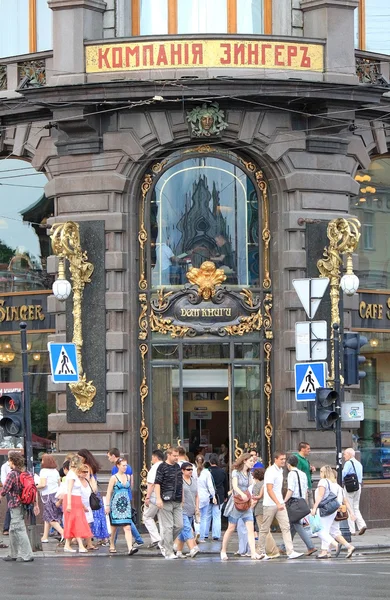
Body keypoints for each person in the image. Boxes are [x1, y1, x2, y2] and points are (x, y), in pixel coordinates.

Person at [257, 451, 303, 560]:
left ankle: (290, 551)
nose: (283, 461)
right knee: (264, 528)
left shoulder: (280, 471)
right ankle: (260, 552)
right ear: (275, 459)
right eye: (281, 459)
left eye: (284, 459)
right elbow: (269, 489)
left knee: (286, 527)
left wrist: (280, 502)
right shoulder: (270, 471)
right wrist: (278, 503)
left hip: (279, 503)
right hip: (270, 504)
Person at [221, 453, 262, 561]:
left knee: (250, 528)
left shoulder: (249, 474)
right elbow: (234, 486)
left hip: (246, 504)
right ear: (244, 461)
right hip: (236, 503)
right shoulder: (236, 472)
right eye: (251, 461)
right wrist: (241, 493)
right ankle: (223, 550)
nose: (252, 463)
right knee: (231, 528)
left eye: (253, 461)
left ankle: (253, 553)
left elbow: (251, 486)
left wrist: (251, 495)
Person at [0, 451, 37, 562]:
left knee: (19, 529)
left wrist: (1, 495)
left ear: (12, 461)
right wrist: (35, 504)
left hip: (15, 503)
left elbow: (5, 489)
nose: (8, 462)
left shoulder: (12, 474)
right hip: (25, 504)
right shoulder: (27, 473)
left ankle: (27, 554)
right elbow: (33, 489)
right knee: (13, 529)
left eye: (9, 460)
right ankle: (13, 553)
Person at [107, 447, 144, 548]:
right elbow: (131, 483)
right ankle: (113, 543)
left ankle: (114, 543)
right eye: (124, 465)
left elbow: (113, 487)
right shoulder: (129, 468)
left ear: (114, 456)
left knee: (123, 522)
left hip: (121, 498)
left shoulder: (115, 469)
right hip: (125, 497)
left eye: (109, 457)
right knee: (121, 522)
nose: (109, 459)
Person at [282, 455, 317, 556]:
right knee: (293, 524)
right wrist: (304, 502)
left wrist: (284, 500)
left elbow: (291, 489)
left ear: (288, 464)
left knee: (295, 524)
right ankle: (284, 547)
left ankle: (310, 546)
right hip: (301, 501)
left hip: (294, 501)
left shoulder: (291, 474)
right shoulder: (303, 474)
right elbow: (306, 490)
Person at [154, 446, 183, 560]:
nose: (177, 458)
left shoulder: (177, 467)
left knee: (179, 525)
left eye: (177, 456)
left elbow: (181, 484)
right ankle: (168, 552)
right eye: (175, 456)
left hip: (177, 500)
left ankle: (164, 542)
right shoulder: (162, 467)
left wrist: (182, 499)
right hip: (165, 500)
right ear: (169, 455)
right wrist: (158, 499)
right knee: (168, 527)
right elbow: (157, 483)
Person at [105, 458, 138, 555]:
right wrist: (107, 505)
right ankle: (111, 544)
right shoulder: (114, 478)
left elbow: (130, 488)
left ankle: (130, 548)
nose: (125, 467)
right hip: (116, 504)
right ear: (118, 466)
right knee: (114, 527)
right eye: (123, 465)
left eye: (126, 465)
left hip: (125, 504)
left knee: (127, 526)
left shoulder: (128, 476)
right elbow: (108, 492)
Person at [78, 449, 109, 545]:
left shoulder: (86, 467)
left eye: (79, 457)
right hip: (95, 495)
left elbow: (86, 480)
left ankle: (89, 537)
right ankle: (103, 538)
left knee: (91, 517)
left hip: (90, 494)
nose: (78, 458)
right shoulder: (92, 466)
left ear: (84, 457)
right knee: (99, 516)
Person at [310, 465, 341, 559]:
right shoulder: (332, 483)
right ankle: (325, 551)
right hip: (332, 509)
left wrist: (314, 508)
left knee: (318, 530)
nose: (319, 474)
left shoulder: (323, 481)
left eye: (321, 472)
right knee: (325, 530)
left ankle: (335, 544)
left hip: (324, 509)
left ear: (324, 473)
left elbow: (320, 496)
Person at [63, 456, 92, 553]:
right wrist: (69, 504)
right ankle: (80, 545)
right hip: (72, 500)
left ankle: (67, 545)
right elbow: (69, 490)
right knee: (76, 523)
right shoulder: (71, 475)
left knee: (74, 522)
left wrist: (82, 505)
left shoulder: (73, 474)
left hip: (76, 500)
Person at [252, 468, 280, 558]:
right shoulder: (268, 484)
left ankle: (273, 550)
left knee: (264, 531)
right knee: (266, 530)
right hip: (268, 507)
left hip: (260, 509)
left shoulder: (257, 486)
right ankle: (261, 549)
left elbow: (255, 499)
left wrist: (249, 508)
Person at [36, 453, 63, 544]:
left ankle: (64, 533)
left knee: (50, 517)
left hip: (47, 496)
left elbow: (43, 484)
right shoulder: (55, 471)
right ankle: (45, 536)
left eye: (42, 460)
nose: (41, 462)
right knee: (49, 516)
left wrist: (35, 486)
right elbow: (59, 483)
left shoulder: (44, 471)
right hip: (55, 495)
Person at [175, 462, 200, 558]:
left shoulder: (194, 481)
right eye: (188, 469)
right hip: (182, 509)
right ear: (182, 470)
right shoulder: (179, 481)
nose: (190, 471)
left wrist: (197, 508)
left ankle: (178, 551)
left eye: (191, 469)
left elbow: (197, 495)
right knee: (187, 529)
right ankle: (192, 548)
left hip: (191, 509)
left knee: (183, 532)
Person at [342, 447, 367, 536]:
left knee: (349, 508)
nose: (344, 456)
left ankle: (352, 530)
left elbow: (343, 474)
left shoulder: (348, 463)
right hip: (358, 486)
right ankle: (362, 525)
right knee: (356, 507)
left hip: (349, 487)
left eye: (345, 454)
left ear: (349, 454)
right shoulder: (359, 464)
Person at [203, 453, 228, 541]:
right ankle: (216, 535)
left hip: (208, 495)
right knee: (217, 515)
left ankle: (205, 534)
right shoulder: (222, 471)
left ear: (209, 462)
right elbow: (225, 485)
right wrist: (225, 496)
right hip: (219, 495)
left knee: (207, 515)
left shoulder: (206, 471)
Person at [143, 449, 164, 549]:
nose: (151, 459)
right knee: (162, 518)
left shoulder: (154, 468)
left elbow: (151, 484)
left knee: (147, 517)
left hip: (155, 496)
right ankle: (163, 540)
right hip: (164, 496)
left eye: (152, 457)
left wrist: (147, 497)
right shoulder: (165, 466)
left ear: (155, 457)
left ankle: (156, 539)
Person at [195, 454, 216, 543]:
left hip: (195, 496)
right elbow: (210, 486)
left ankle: (197, 532)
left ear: (196, 462)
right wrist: (214, 496)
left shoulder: (192, 471)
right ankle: (202, 537)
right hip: (205, 497)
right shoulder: (207, 472)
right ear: (204, 462)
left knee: (196, 517)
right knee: (204, 517)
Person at [78, 463, 97, 551]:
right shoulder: (77, 482)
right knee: (82, 525)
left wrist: (91, 477)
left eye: (87, 472)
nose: (85, 473)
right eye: (84, 472)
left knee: (88, 525)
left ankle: (89, 543)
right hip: (80, 505)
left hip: (88, 505)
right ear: (79, 472)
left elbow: (94, 491)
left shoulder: (88, 480)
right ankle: (81, 542)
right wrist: (82, 506)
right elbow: (77, 495)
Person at [294, 442, 316, 507]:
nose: (310, 450)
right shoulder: (297, 459)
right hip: (304, 488)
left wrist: (311, 470)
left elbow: (305, 471)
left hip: (309, 485)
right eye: (308, 449)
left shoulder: (305, 459)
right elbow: (298, 473)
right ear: (302, 449)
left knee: (312, 508)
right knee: (306, 509)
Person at [1, 457, 11, 541]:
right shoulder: (5, 467)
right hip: (10, 491)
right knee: (10, 508)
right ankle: (6, 528)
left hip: (16, 491)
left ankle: (7, 528)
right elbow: (4, 479)